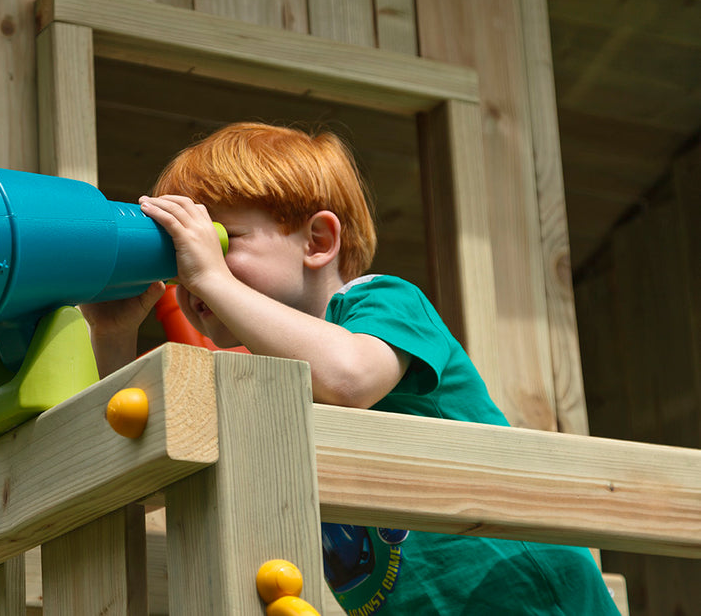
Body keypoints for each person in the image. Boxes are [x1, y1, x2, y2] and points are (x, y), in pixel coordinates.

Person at [82, 121, 619, 614]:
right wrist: (113, 336)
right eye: (182, 259)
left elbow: (347, 378)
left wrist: (212, 277)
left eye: (223, 240)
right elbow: (140, 442)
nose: (193, 270)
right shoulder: (257, 376)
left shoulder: (381, 303)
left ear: (318, 241)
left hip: (527, 591)